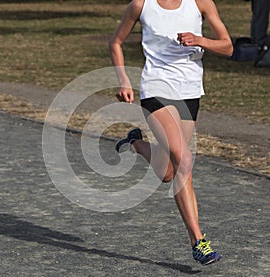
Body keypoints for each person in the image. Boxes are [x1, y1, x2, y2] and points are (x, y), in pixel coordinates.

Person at [109, 0, 233, 265]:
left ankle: (137, 144)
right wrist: (123, 80)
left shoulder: (201, 3)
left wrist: (200, 40)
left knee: (168, 172)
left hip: (189, 92)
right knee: (184, 159)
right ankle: (199, 242)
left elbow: (227, 46)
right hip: (156, 88)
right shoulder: (140, 5)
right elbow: (116, 43)